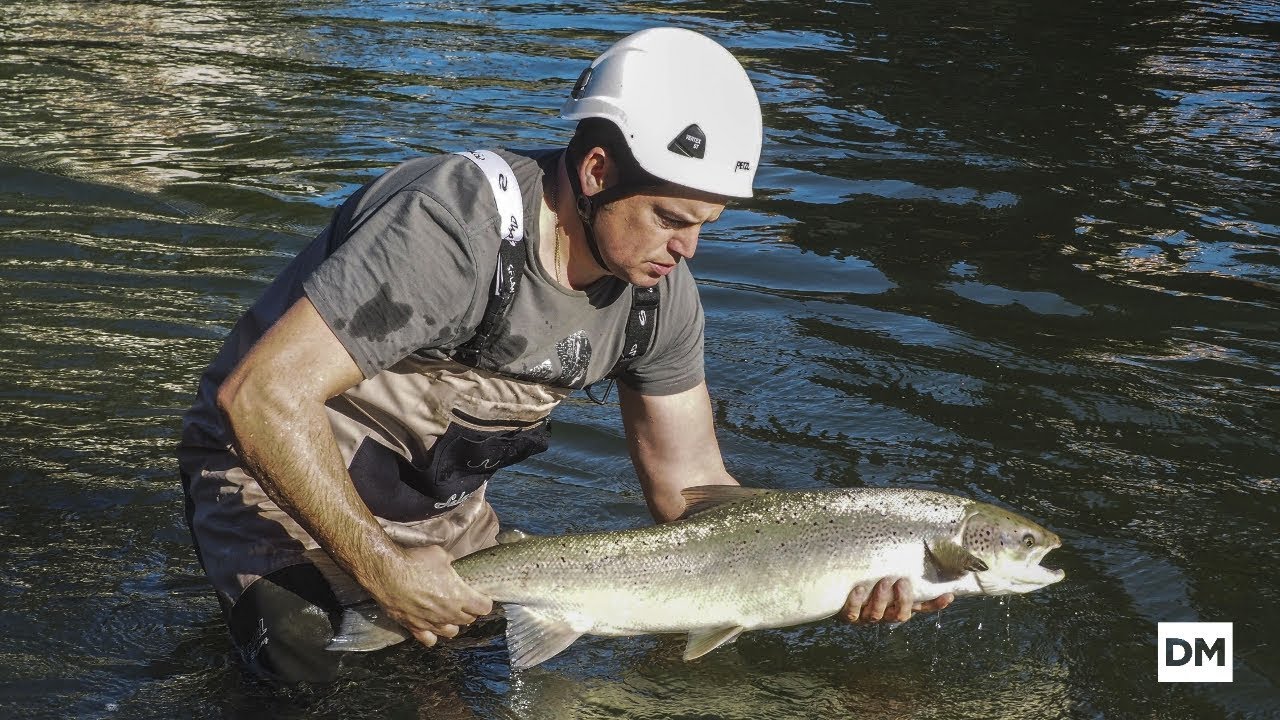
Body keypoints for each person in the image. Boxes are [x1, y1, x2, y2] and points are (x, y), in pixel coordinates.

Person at [177, 27, 952, 683]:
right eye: (670, 218)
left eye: (706, 224)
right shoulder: (452, 229)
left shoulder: (661, 296)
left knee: (461, 680)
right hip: (272, 482)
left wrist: (836, 571)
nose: (687, 249)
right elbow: (260, 399)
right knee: (312, 669)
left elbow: (692, 492)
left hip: (444, 521)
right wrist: (382, 570)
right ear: (595, 172)